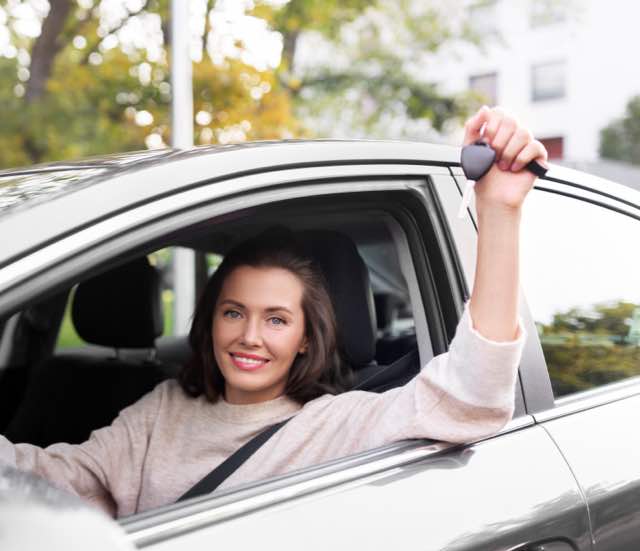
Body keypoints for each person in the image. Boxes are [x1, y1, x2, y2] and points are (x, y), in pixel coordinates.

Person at [0, 107, 547, 518]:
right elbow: (64, 479)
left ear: (308, 338)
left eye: (278, 319)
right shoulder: (163, 408)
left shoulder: (337, 422)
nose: (250, 337)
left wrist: (498, 209)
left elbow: (475, 395)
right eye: (233, 312)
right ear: (210, 319)